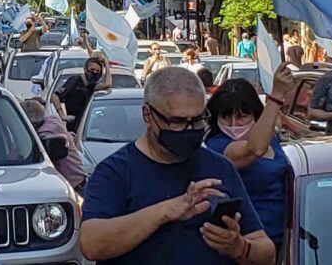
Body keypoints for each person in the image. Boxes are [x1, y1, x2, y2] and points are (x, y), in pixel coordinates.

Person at [80, 67, 275, 263]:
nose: (189, 129)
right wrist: (167, 211)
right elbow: (91, 244)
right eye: (178, 121)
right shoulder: (115, 172)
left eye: (197, 120)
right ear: (148, 116)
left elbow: (267, 252)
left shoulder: (220, 167)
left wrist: (239, 247)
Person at [205, 64, 293, 257]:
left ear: (255, 116)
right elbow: (255, 149)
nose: (234, 124)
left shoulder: (271, 138)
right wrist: (276, 95)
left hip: (289, 242)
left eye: (242, 116)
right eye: (226, 117)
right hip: (248, 247)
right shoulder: (218, 146)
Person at [21, 100, 87, 194]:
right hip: (68, 185)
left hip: (74, 187)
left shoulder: (47, 131)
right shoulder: (52, 121)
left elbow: (43, 145)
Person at [51, 57, 112, 132]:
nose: (95, 73)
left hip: (84, 127)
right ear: (85, 69)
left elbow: (107, 84)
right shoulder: (74, 81)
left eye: (98, 71)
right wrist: (62, 115)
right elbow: (55, 96)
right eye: (92, 70)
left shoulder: (91, 85)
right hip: (72, 127)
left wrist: (106, 63)